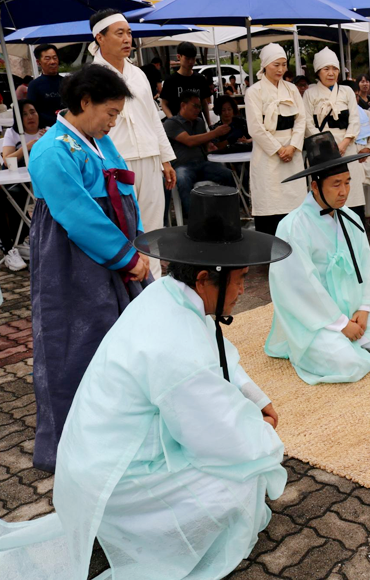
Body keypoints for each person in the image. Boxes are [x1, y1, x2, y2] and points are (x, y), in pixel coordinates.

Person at [0, 186, 290, 579]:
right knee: (243, 483)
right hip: (119, 478)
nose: (243, 291)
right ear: (206, 278)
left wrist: (254, 397)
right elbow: (219, 436)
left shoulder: (170, 295)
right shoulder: (174, 343)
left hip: (101, 459)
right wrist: (264, 436)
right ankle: (148, 539)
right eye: (239, 280)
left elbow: (219, 356)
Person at [26, 65, 151, 472]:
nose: (114, 122)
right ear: (84, 103)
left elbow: (127, 191)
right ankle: (76, 451)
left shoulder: (100, 141)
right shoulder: (51, 149)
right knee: (76, 347)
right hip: (73, 262)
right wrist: (128, 256)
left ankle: (128, 437)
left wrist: (141, 244)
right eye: (111, 113)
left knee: (127, 343)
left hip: (115, 255)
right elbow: (75, 214)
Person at [265, 132, 370, 384]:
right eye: (336, 184)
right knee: (347, 364)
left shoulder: (351, 218)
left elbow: (365, 267)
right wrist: (340, 324)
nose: (344, 191)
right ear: (315, 186)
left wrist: (364, 309)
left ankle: (350, 338)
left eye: (347, 182)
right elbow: (300, 287)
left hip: (353, 306)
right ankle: (336, 342)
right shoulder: (293, 227)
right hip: (316, 318)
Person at [91, 9, 177, 279]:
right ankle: (127, 293)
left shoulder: (139, 74)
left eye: (129, 33)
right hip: (115, 163)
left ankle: (154, 288)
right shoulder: (91, 76)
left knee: (152, 229)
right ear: (100, 38)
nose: (128, 38)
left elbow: (153, 118)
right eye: (120, 33)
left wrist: (165, 159)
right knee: (122, 229)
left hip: (149, 158)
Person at [246, 44, 307, 237]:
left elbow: (301, 119)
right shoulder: (254, 92)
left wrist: (293, 146)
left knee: (294, 201)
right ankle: (270, 255)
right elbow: (256, 127)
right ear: (265, 66)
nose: (281, 70)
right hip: (268, 154)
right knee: (270, 202)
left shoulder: (291, 89)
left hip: (292, 150)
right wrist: (279, 149)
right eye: (276, 65)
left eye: (283, 65)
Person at [304, 47, 367, 217]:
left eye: (334, 69)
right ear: (318, 72)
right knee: (328, 189)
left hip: (347, 147)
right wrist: (326, 144)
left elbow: (354, 119)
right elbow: (308, 122)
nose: (331, 73)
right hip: (323, 150)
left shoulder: (346, 91)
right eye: (326, 69)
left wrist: (345, 142)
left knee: (350, 190)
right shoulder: (310, 94)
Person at [164, 93, 236, 217]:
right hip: (182, 165)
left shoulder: (199, 122)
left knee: (227, 174)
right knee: (182, 178)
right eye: (195, 106)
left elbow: (203, 144)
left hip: (202, 163)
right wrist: (214, 133)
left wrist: (210, 145)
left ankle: (230, 214)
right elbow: (189, 141)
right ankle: (194, 219)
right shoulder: (171, 123)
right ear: (183, 105)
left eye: (200, 107)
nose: (198, 110)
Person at [0, 100, 43, 272]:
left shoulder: (47, 131)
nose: (30, 117)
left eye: (32, 112)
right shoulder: (13, 133)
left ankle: (30, 238)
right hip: (16, 180)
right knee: (12, 197)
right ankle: (11, 247)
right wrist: (28, 146)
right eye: (24, 114)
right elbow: (7, 159)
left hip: (40, 180)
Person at [160, 41, 212, 126]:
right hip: (178, 126)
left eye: (193, 58)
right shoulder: (171, 80)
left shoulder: (200, 79)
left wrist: (209, 124)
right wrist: (172, 119)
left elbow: (204, 103)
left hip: (197, 125)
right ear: (178, 57)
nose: (191, 62)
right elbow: (164, 104)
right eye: (187, 58)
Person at [26, 44, 63, 127]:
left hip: (69, 127)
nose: (52, 62)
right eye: (47, 58)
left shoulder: (67, 82)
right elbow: (33, 111)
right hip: (46, 130)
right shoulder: (34, 85)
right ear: (38, 62)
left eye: (55, 58)